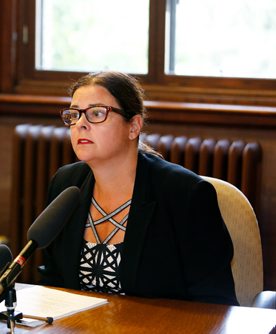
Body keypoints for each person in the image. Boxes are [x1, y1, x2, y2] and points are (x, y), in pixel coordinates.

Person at [39, 71, 238, 305]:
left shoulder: (185, 194)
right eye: (74, 115)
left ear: (133, 127)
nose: (80, 124)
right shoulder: (66, 183)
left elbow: (215, 303)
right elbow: (52, 280)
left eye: (96, 113)